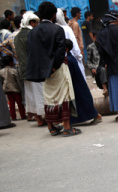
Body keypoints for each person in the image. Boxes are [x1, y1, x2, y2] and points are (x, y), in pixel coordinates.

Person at [26, 1, 80, 137]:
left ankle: (51, 127)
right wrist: (54, 67)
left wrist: (45, 69)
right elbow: (61, 51)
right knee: (64, 96)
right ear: (53, 15)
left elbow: (32, 53)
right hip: (58, 68)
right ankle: (67, 127)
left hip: (44, 72)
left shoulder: (33, 32)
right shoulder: (57, 29)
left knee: (48, 98)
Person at [15, 11, 46, 125]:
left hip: (24, 70)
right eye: (36, 23)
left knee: (30, 95)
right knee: (39, 93)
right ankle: (46, 118)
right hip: (35, 69)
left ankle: (38, 119)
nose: (37, 25)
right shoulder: (31, 34)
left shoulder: (17, 36)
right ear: (31, 22)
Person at [65, 39, 101, 124]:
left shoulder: (69, 60)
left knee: (82, 102)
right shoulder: (71, 58)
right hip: (77, 83)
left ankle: (96, 115)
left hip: (76, 84)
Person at [56, 8, 85, 80]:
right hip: (72, 54)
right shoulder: (70, 27)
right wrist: (79, 54)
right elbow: (74, 38)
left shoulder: (69, 23)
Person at [0, 56, 26, 120]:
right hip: (16, 89)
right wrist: (21, 89)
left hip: (7, 90)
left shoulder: (1, 71)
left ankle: (13, 117)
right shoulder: (14, 71)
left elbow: (2, 81)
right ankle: (23, 115)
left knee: (11, 104)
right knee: (20, 103)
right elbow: (18, 81)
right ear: (11, 62)